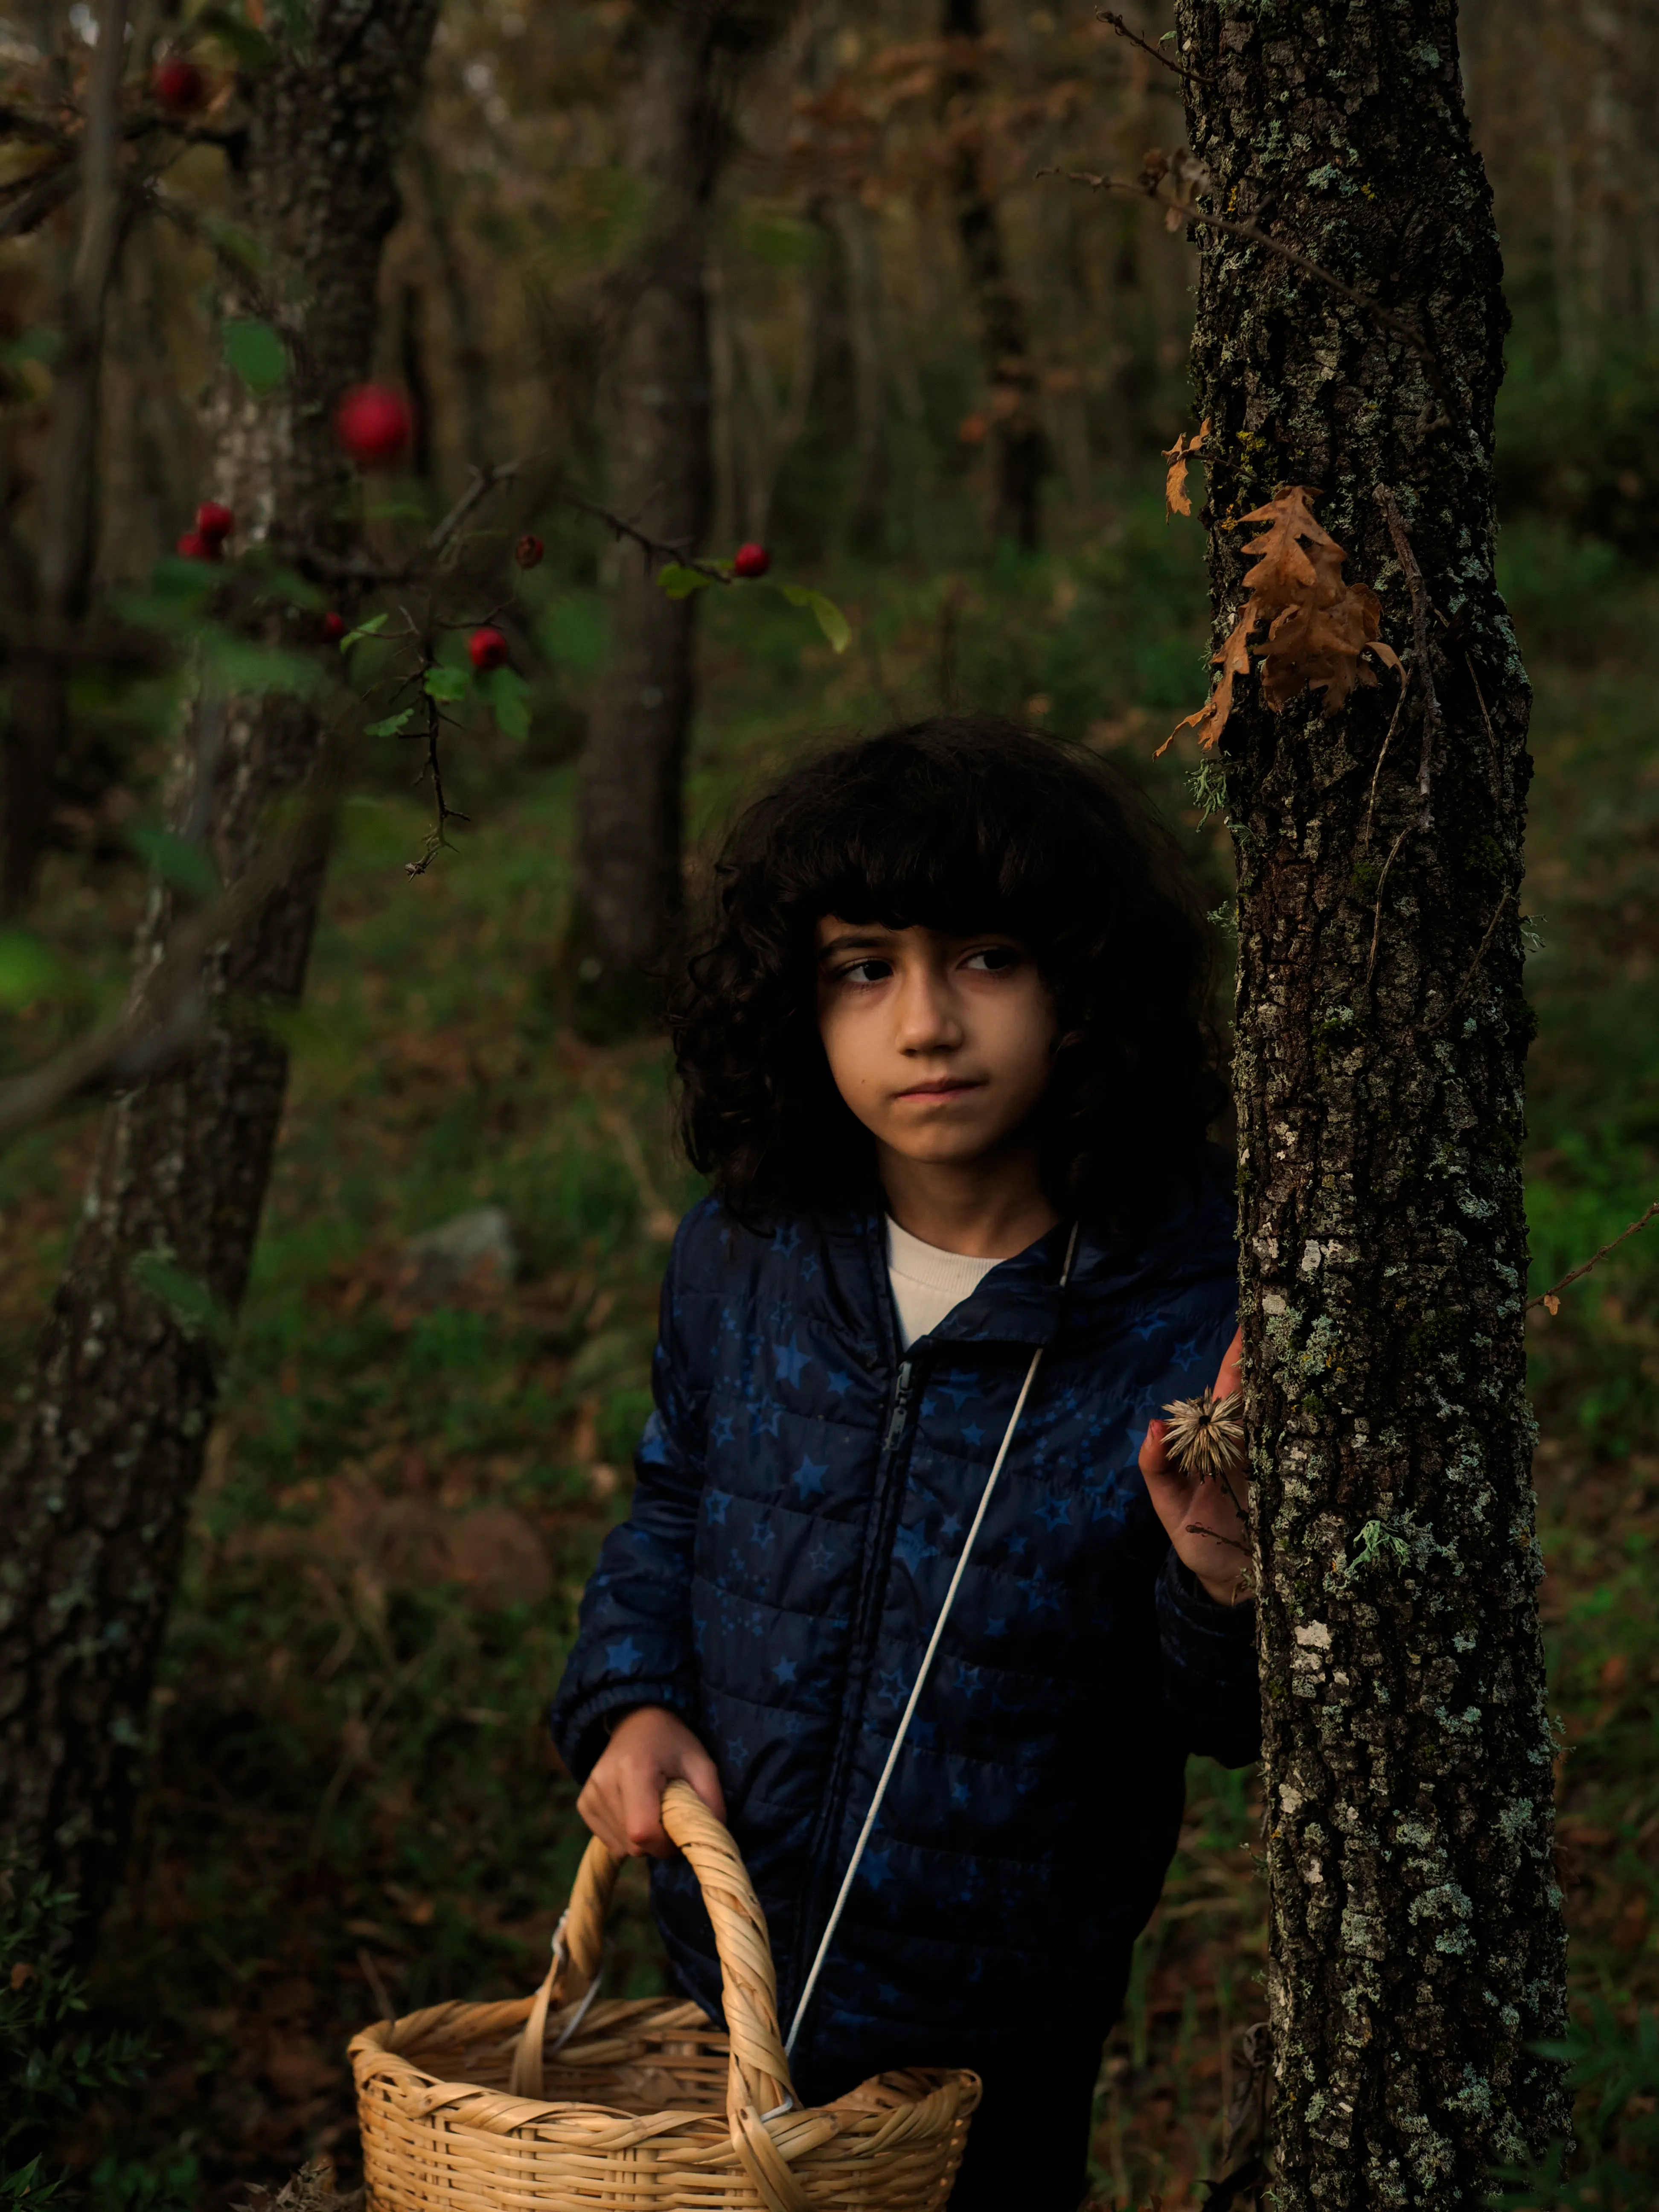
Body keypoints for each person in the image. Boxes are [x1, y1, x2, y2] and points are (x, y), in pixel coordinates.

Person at [550, 716, 1258, 2212]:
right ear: (796, 1006)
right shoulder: (752, 1251)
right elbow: (676, 1497)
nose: (925, 1023)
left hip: (998, 2035)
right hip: (723, 1982)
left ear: (1084, 981)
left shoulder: (1194, 1304)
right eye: (863, 968)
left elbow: (1233, 1720)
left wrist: (1220, 1573)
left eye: (987, 957)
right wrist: (635, 1699)